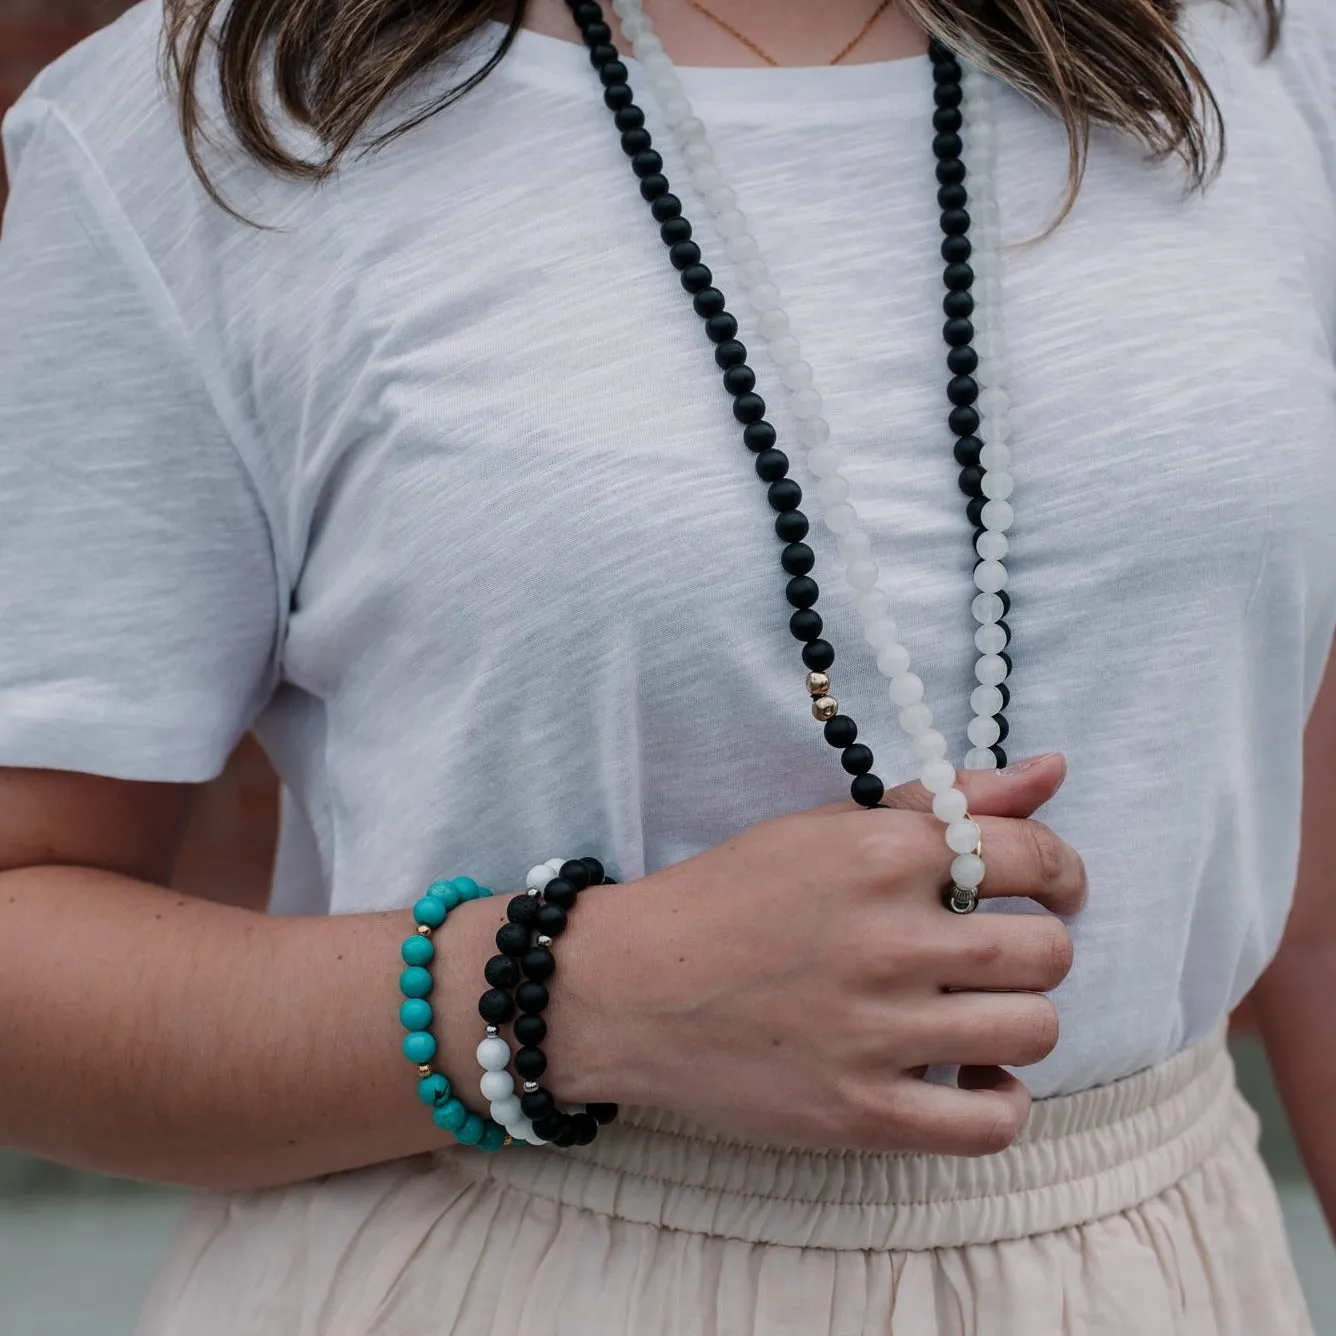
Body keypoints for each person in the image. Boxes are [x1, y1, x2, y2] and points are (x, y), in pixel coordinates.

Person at [0, 0, 1332, 1330]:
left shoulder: (1266, 56)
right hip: (506, 1272)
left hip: (1162, 1274)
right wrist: (567, 996)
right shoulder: (219, 128)